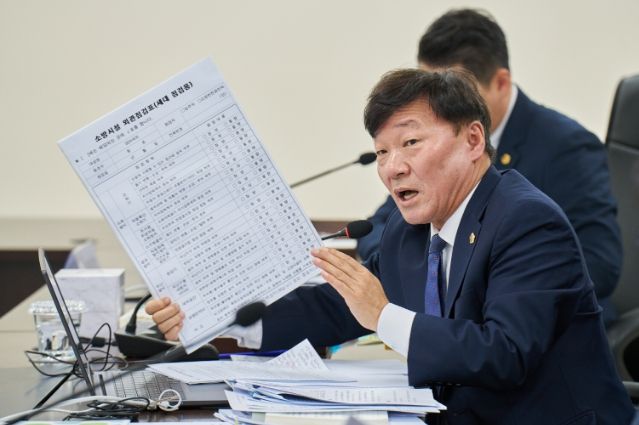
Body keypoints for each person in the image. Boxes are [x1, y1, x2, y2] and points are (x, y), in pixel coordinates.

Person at [147, 69, 633, 424]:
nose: (392, 167)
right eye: (381, 151)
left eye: (410, 144)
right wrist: (221, 318)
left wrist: (384, 316)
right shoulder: (408, 231)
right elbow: (338, 306)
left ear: (472, 140)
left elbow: (503, 353)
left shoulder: (527, 221)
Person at [356, 8, 622, 325]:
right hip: (453, 327)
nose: (441, 103)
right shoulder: (423, 160)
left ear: (501, 82)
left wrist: (477, 285)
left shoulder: (567, 146)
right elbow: (384, 227)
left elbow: (600, 263)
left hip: (545, 327)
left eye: (453, 89)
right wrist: (411, 267)